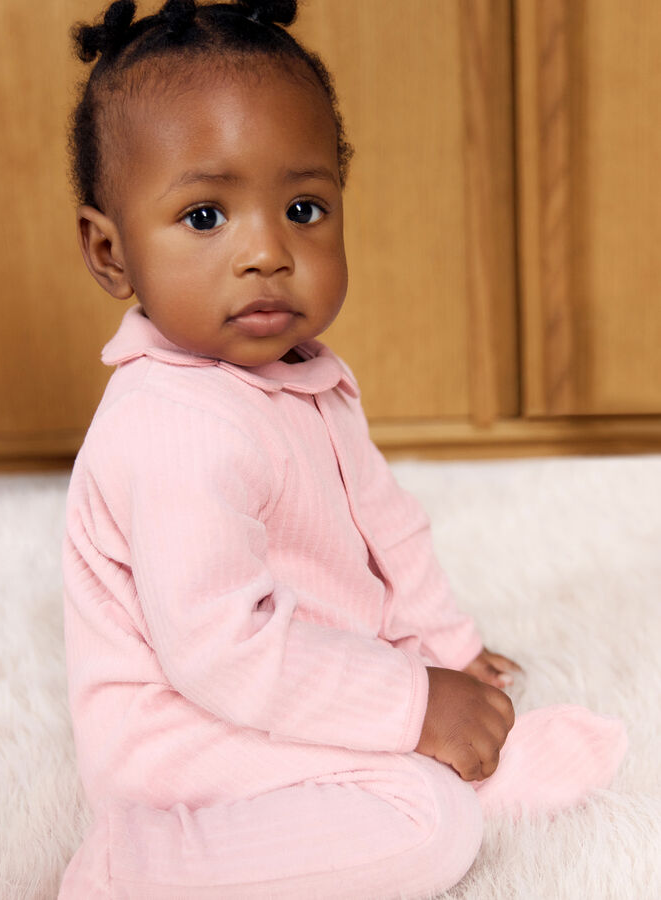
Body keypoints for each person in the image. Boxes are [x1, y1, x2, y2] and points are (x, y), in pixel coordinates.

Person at [59, 1, 627, 896]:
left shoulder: (307, 375)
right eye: (205, 215)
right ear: (110, 251)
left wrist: (447, 654)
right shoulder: (172, 427)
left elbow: (385, 526)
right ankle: (136, 868)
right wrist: (411, 705)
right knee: (424, 823)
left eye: (302, 206)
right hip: (186, 733)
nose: (267, 252)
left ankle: (456, 759)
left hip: (296, 674)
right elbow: (223, 653)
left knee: (437, 759)